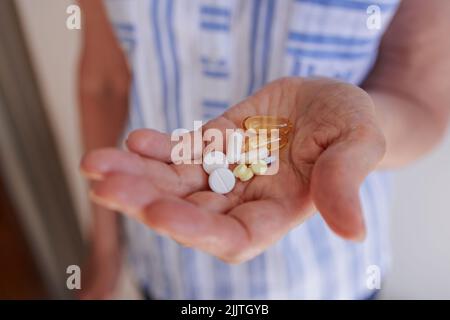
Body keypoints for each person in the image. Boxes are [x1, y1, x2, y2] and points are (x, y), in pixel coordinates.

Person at [77, 0, 450, 299]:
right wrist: (106, 249)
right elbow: (105, 82)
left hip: (330, 279)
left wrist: (356, 128)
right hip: (163, 262)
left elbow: (420, 101)